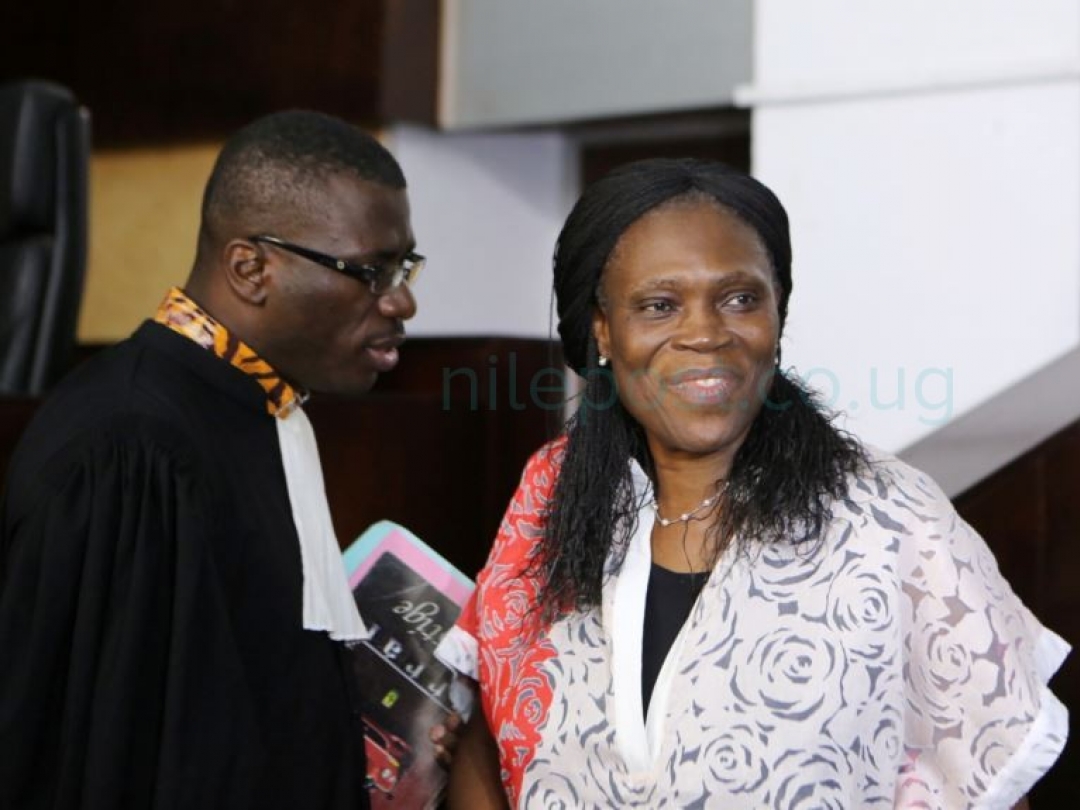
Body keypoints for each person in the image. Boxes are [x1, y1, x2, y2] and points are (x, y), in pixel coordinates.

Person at [440, 158, 1069, 808]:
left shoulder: (891, 518)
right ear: (602, 328)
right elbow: (490, 736)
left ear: (778, 313)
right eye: (659, 306)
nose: (705, 334)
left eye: (740, 299)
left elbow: (990, 782)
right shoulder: (550, 492)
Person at [0, 110, 452, 809]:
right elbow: (106, 755)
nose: (402, 300)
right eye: (371, 271)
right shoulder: (131, 446)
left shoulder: (261, 406)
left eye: (403, 266)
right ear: (251, 268)